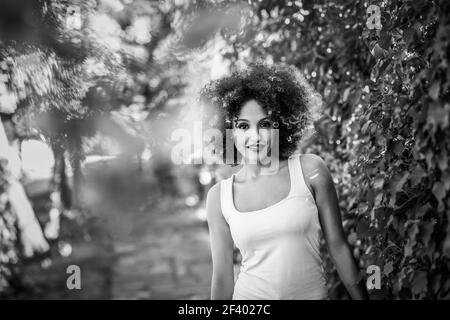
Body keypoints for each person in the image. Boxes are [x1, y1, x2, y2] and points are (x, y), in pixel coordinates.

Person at [200, 62, 368, 300]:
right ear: (229, 130)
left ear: (282, 125)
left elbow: (339, 248)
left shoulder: (310, 170)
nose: (255, 137)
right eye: (243, 126)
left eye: (265, 125)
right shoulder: (219, 197)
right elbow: (222, 278)